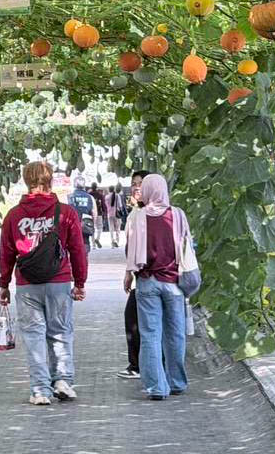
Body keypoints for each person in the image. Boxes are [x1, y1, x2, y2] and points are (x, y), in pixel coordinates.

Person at [0, 161, 88, 405]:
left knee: (33, 336)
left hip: (27, 284)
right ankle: (63, 381)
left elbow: (6, 253)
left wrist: (4, 284)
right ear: (51, 181)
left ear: (26, 181)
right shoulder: (66, 213)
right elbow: (77, 249)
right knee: (60, 332)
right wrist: (80, 282)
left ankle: (40, 390)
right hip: (59, 281)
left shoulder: (14, 215)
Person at [124, 174, 190, 400]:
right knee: (176, 334)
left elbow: (131, 250)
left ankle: (156, 388)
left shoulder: (138, 216)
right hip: (174, 283)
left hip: (147, 281)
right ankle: (177, 382)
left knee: (150, 335)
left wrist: (128, 274)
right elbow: (187, 245)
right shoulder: (177, 214)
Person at [117, 170, 150, 380]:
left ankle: (139, 366)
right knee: (135, 319)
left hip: (149, 277)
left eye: (141, 183)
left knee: (135, 320)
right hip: (141, 275)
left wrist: (130, 271)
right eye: (134, 184)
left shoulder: (148, 213)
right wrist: (128, 271)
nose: (136, 187)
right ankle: (139, 365)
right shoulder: (135, 213)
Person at [68, 178, 97, 253]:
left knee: (72, 245)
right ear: (84, 185)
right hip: (86, 225)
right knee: (85, 244)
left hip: (72, 225)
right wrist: (93, 225)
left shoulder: (69, 197)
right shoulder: (90, 197)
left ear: (74, 185)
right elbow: (94, 213)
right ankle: (84, 258)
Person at [89, 182, 105, 248]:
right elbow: (103, 204)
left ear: (91, 187)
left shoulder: (89, 195)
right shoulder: (100, 195)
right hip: (99, 213)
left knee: (92, 228)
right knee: (100, 227)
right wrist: (104, 211)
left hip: (91, 213)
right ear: (96, 187)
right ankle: (97, 239)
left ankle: (93, 245)